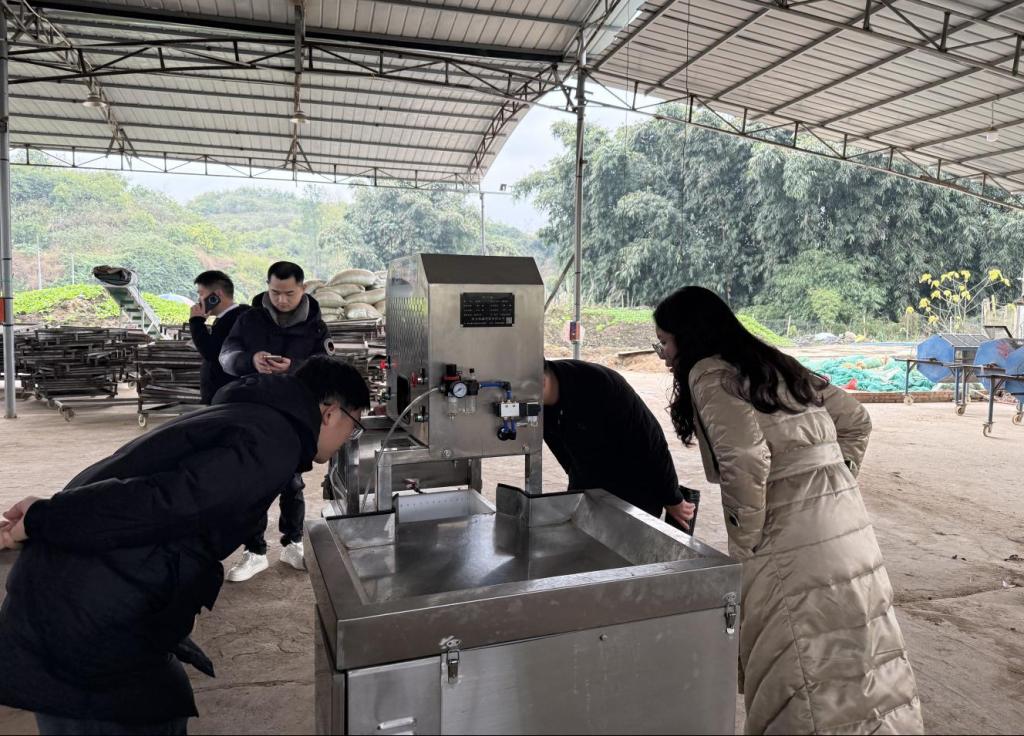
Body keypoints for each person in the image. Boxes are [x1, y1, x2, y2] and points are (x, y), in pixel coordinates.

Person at [0, 356, 370, 736]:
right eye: (354, 426)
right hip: (80, 614)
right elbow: (154, 504)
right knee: (142, 716)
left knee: (162, 703)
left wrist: (49, 514)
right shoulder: (272, 442)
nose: (349, 439)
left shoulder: (252, 416)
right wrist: (46, 518)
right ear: (330, 413)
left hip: (79, 594)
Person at [653, 286, 923, 735]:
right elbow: (856, 421)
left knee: (801, 662)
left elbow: (745, 456)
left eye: (664, 342)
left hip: (787, 539)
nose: (663, 355)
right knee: (861, 646)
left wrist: (746, 541)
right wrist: (833, 480)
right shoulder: (775, 363)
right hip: (847, 525)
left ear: (689, 336)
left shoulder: (708, 373)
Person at [219, 261, 331, 582]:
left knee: (292, 481)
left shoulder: (316, 327)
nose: (281, 300)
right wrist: (249, 360)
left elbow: (326, 368)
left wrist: (293, 367)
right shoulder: (249, 319)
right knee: (253, 480)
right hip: (253, 408)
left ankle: (292, 543)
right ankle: (254, 551)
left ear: (302, 289)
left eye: (289, 293)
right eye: (275, 292)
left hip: (294, 412)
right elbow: (226, 356)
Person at [542, 359, 697, 530]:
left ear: (541, 382)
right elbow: (561, 450)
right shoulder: (538, 404)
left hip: (632, 489)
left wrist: (671, 497)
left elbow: (650, 440)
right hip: (589, 488)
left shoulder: (599, 384)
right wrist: (576, 478)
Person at [188, 270, 251, 405]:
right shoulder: (231, 317)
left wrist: (196, 321)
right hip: (222, 396)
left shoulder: (234, 320)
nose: (199, 299)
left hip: (226, 398)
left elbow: (211, 352)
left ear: (216, 295)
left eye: (201, 293)